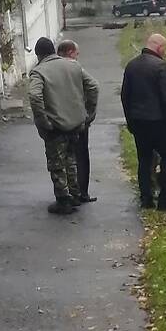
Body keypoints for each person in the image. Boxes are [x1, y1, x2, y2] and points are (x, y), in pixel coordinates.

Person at [28, 36, 98, 214]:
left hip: (56, 125)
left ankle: (63, 200)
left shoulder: (39, 72)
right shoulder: (73, 65)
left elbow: (35, 96)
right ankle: (74, 194)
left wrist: (44, 121)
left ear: (39, 55)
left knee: (57, 163)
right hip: (75, 123)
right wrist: (88, 114)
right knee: (71, 159)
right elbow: (93, 86)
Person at [121, 33, 166, 211]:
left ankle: (146, 199)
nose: (165, 52)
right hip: (159, 122)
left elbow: (125, 96)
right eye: (165, 48)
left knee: (144, 160)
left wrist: (130, 121)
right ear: (159, 47)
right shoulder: (160, 66)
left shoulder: (131, 65)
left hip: (139, 122)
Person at [56, 39, 98, 203]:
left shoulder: (51, 69)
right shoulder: (75, 68)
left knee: (62, 157)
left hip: (59, 118)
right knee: (80, 154)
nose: (78, 57)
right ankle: (82, 192)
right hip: (78, 118)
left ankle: (67, 193)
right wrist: (89, 112)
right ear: (70, 53)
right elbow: (93, 86)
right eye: (76, 53)